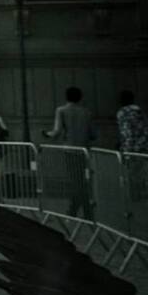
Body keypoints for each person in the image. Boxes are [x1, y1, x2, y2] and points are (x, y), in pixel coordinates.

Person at [43, 87, 95, 220]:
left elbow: (57, 130)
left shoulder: (61, 111)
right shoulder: (86, 112)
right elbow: (92, 134)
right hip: (84, 150)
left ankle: (77, 212)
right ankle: (80, 211)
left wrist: (46, 134)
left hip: (70, 149)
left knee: (77, 182)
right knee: (81, 181)